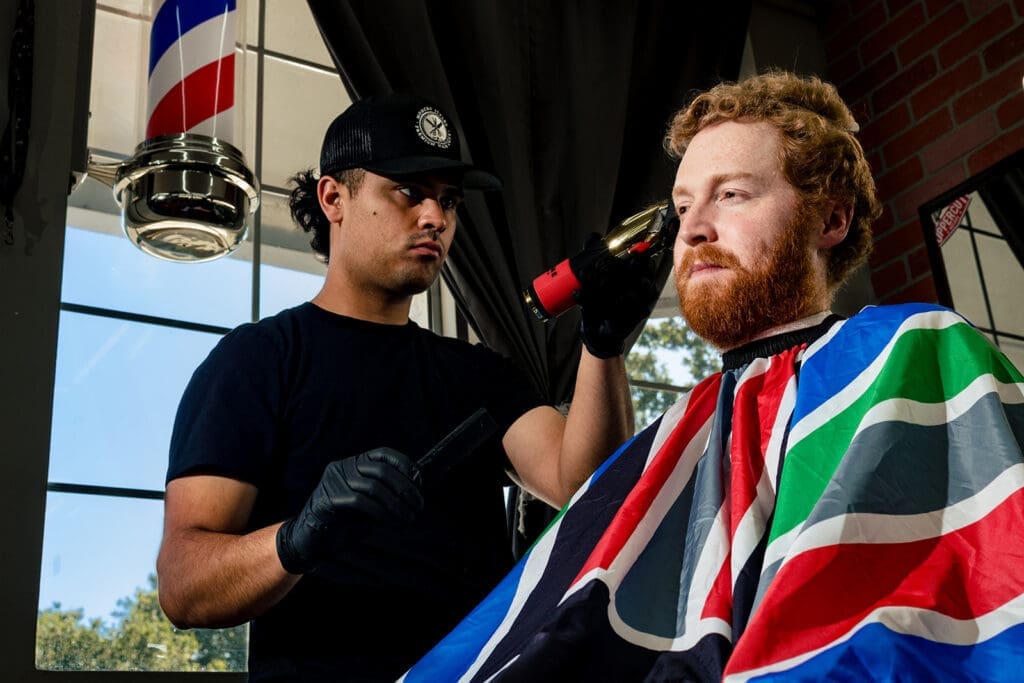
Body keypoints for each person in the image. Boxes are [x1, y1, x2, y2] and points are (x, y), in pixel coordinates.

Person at [401, 71, 1024, 682]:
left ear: (831, 219)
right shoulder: (678, 433)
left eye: (732, 194)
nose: (693, 229)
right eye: (681, 206)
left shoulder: (912, 348)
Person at [156, 93, 661, 681]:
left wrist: (602, 347)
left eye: (448, 201)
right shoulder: (257, 362)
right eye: (408, 191)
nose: (435, 218)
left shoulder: (478, 373)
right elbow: (183, 586)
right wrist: (297, 538)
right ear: (333, 198)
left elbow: (586, 483)